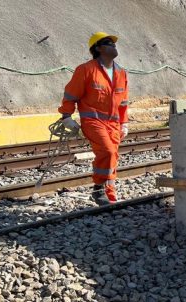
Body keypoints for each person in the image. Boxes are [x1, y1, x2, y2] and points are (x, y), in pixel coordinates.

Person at [58, 32, 129, 206]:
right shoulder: (86, 70)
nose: (113, 46)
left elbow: (123, 102)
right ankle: (98, 189)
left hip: (113, 123)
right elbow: (71, 94)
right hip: (93, 121)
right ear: (97, 48)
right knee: (107, 152)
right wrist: (66, 116)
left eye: (114, 43)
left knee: (113, 157)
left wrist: (124, 122)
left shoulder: (121, 73)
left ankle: (110, 195)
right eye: (108, 43)